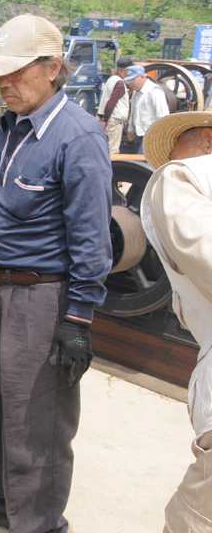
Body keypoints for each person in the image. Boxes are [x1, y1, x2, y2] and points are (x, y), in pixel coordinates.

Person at [0, 14, 112, 531]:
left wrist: (79, 319)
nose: (3, 84)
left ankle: (38, 522)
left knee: (35, 420)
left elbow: (92, 237)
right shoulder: (11, 127)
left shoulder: (78, 136)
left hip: (41, 299)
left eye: (15, 73)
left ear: (52, 68)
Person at [140, 111, 212, 533]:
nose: (168, 162)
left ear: (205, 141)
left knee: (195, 519)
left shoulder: (180, 178)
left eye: (176, 151)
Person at [126, 64, 169, 155]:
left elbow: (162, 115)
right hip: (139, 134)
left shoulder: (154, 91)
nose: (131, 84)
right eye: (128, 81)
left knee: (140, 162)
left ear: (142, 76)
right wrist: (131, 129)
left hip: (151, 135)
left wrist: (159, 135)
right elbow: (133, 112)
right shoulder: (135, 93)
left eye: (133, 80)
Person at [97, 56, 133, 155]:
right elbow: (111, 103)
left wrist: (102, 118)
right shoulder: (120, 83)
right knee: (113, 149)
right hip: (114, 120)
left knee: (106, 147)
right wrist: (105, 120)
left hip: (108, 118)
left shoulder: (111, 79)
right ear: (126, 69)